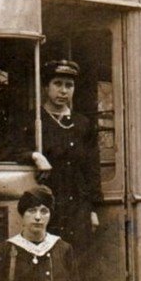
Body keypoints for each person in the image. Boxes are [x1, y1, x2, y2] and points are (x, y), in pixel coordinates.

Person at [33, 60, 102, 256]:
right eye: (58, 84)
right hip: (46, 207)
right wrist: (35, 155)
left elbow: (91, 169)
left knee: (77, 263)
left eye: (69, 85)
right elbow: (12, 149)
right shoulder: (36, 122)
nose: (63, 91)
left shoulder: (82, 124)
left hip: (78, 210)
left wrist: (92, 210)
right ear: (46, 87)